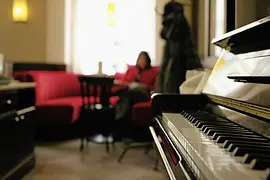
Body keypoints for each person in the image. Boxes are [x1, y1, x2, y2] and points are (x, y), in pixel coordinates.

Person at [155, 1, 202, 94]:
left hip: (177, 63)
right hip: (179, 62)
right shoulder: (182, 27)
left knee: (171, 87)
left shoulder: (175, 30)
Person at [114, 51, 156, 138]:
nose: (142, 61)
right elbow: (124, 82)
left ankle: (119, 119)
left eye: (144, 60)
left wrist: (143, 86)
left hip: (144, 95)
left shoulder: (152, 72)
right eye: (140, 59)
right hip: (130, 93)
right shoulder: (132, 70)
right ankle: (123, 123)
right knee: (128, 93)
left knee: (130, 92)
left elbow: (154, 88)